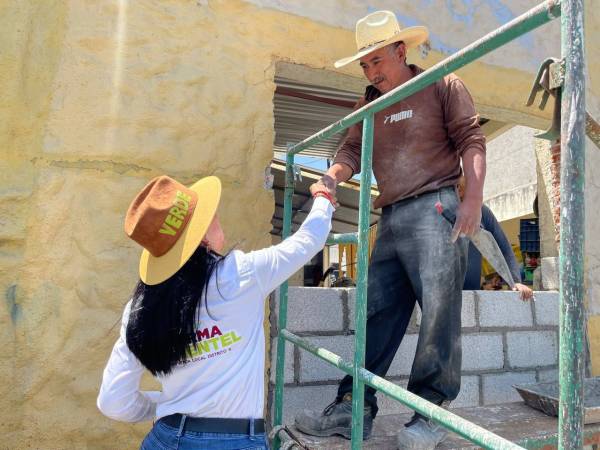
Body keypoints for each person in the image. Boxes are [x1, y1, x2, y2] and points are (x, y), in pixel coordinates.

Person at [294, 10, 486, 450]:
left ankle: (430, 413)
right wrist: (332, 178)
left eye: (376, 60)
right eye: (364, 65)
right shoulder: (370, 105)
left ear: (401, 51)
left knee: (439, 315)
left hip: (437, 208)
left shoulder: (441, 83)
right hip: (392, 218)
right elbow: (349, 149)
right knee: (375, 314)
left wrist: (472, 200)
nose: (371, 71)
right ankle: (352, 407)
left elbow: (471, 140)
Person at [97, 174, 336, 449]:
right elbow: (308, 240)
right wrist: (323, 197)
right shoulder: (241, 275)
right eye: (207, 215)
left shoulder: (140, 307)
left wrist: (169, 406)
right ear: (200, 237)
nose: (216, 215)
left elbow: (112, 401)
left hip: (164, 439)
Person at [458, 177, 534, 301]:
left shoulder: (481, 211)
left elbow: (504, 248)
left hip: (470, 295)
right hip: (441, 295)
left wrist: (514, 281)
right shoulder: (438, 213)